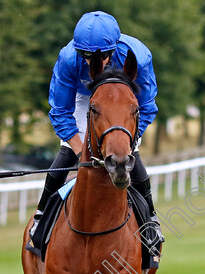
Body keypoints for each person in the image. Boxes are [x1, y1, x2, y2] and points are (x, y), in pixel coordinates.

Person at [30, 11, 163, 242]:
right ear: (78, 51)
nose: (93, 63)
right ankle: (41, 217)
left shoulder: (138, 57)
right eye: (86, 55)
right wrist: (81, 150)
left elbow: (147, 105)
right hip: (85, 99)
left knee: (132, 154)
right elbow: (61, 111)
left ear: (114, 49)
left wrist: (129, 140)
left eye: (101, 56)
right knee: (66, 154)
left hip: (123, 102)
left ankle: (151, 219)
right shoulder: (69, 58)